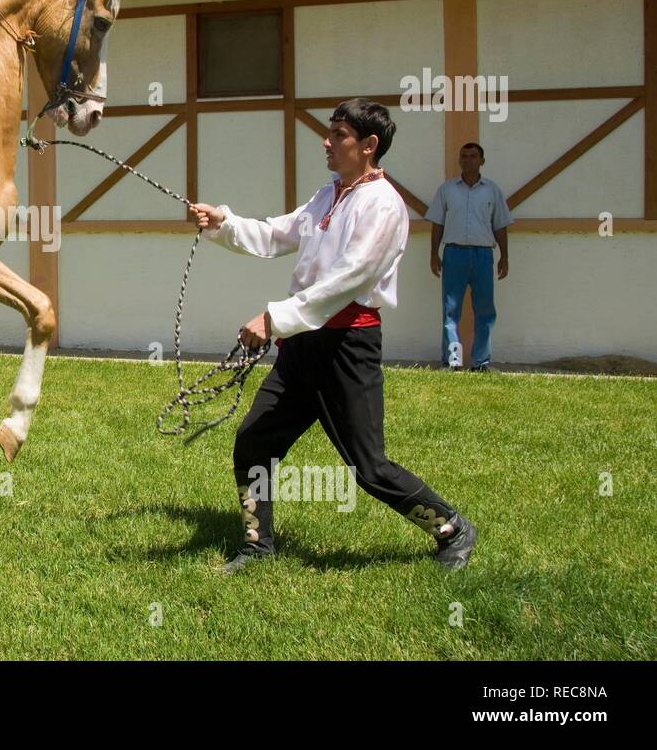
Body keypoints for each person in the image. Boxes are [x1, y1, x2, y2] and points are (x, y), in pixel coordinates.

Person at [191, 98, 476, 574]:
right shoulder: (329, 195)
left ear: (369, 145)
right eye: (330, 131)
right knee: (255, 441)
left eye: (339, 134)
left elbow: (348, 280)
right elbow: (279, 234)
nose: (327, 141)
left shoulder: (385, 206)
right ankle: (258, 546)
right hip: (302, 343)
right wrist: (226, 224)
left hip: (346, 347)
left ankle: (451, 527)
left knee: (369, 467)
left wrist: (273, 319)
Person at [425, 143, 513, 372]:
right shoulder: (447, 190)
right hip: (454, 253)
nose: (468, 160)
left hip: (483, 255)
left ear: (482, 161)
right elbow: (437, 224)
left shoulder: (492, 191)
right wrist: (434, 254)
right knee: (450, 310)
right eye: (464, 156)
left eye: (474, 156)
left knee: (485, 311)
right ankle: (453, 362)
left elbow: (500, 226)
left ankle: (480, 363)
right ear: (459, 160)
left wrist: (504, 256)